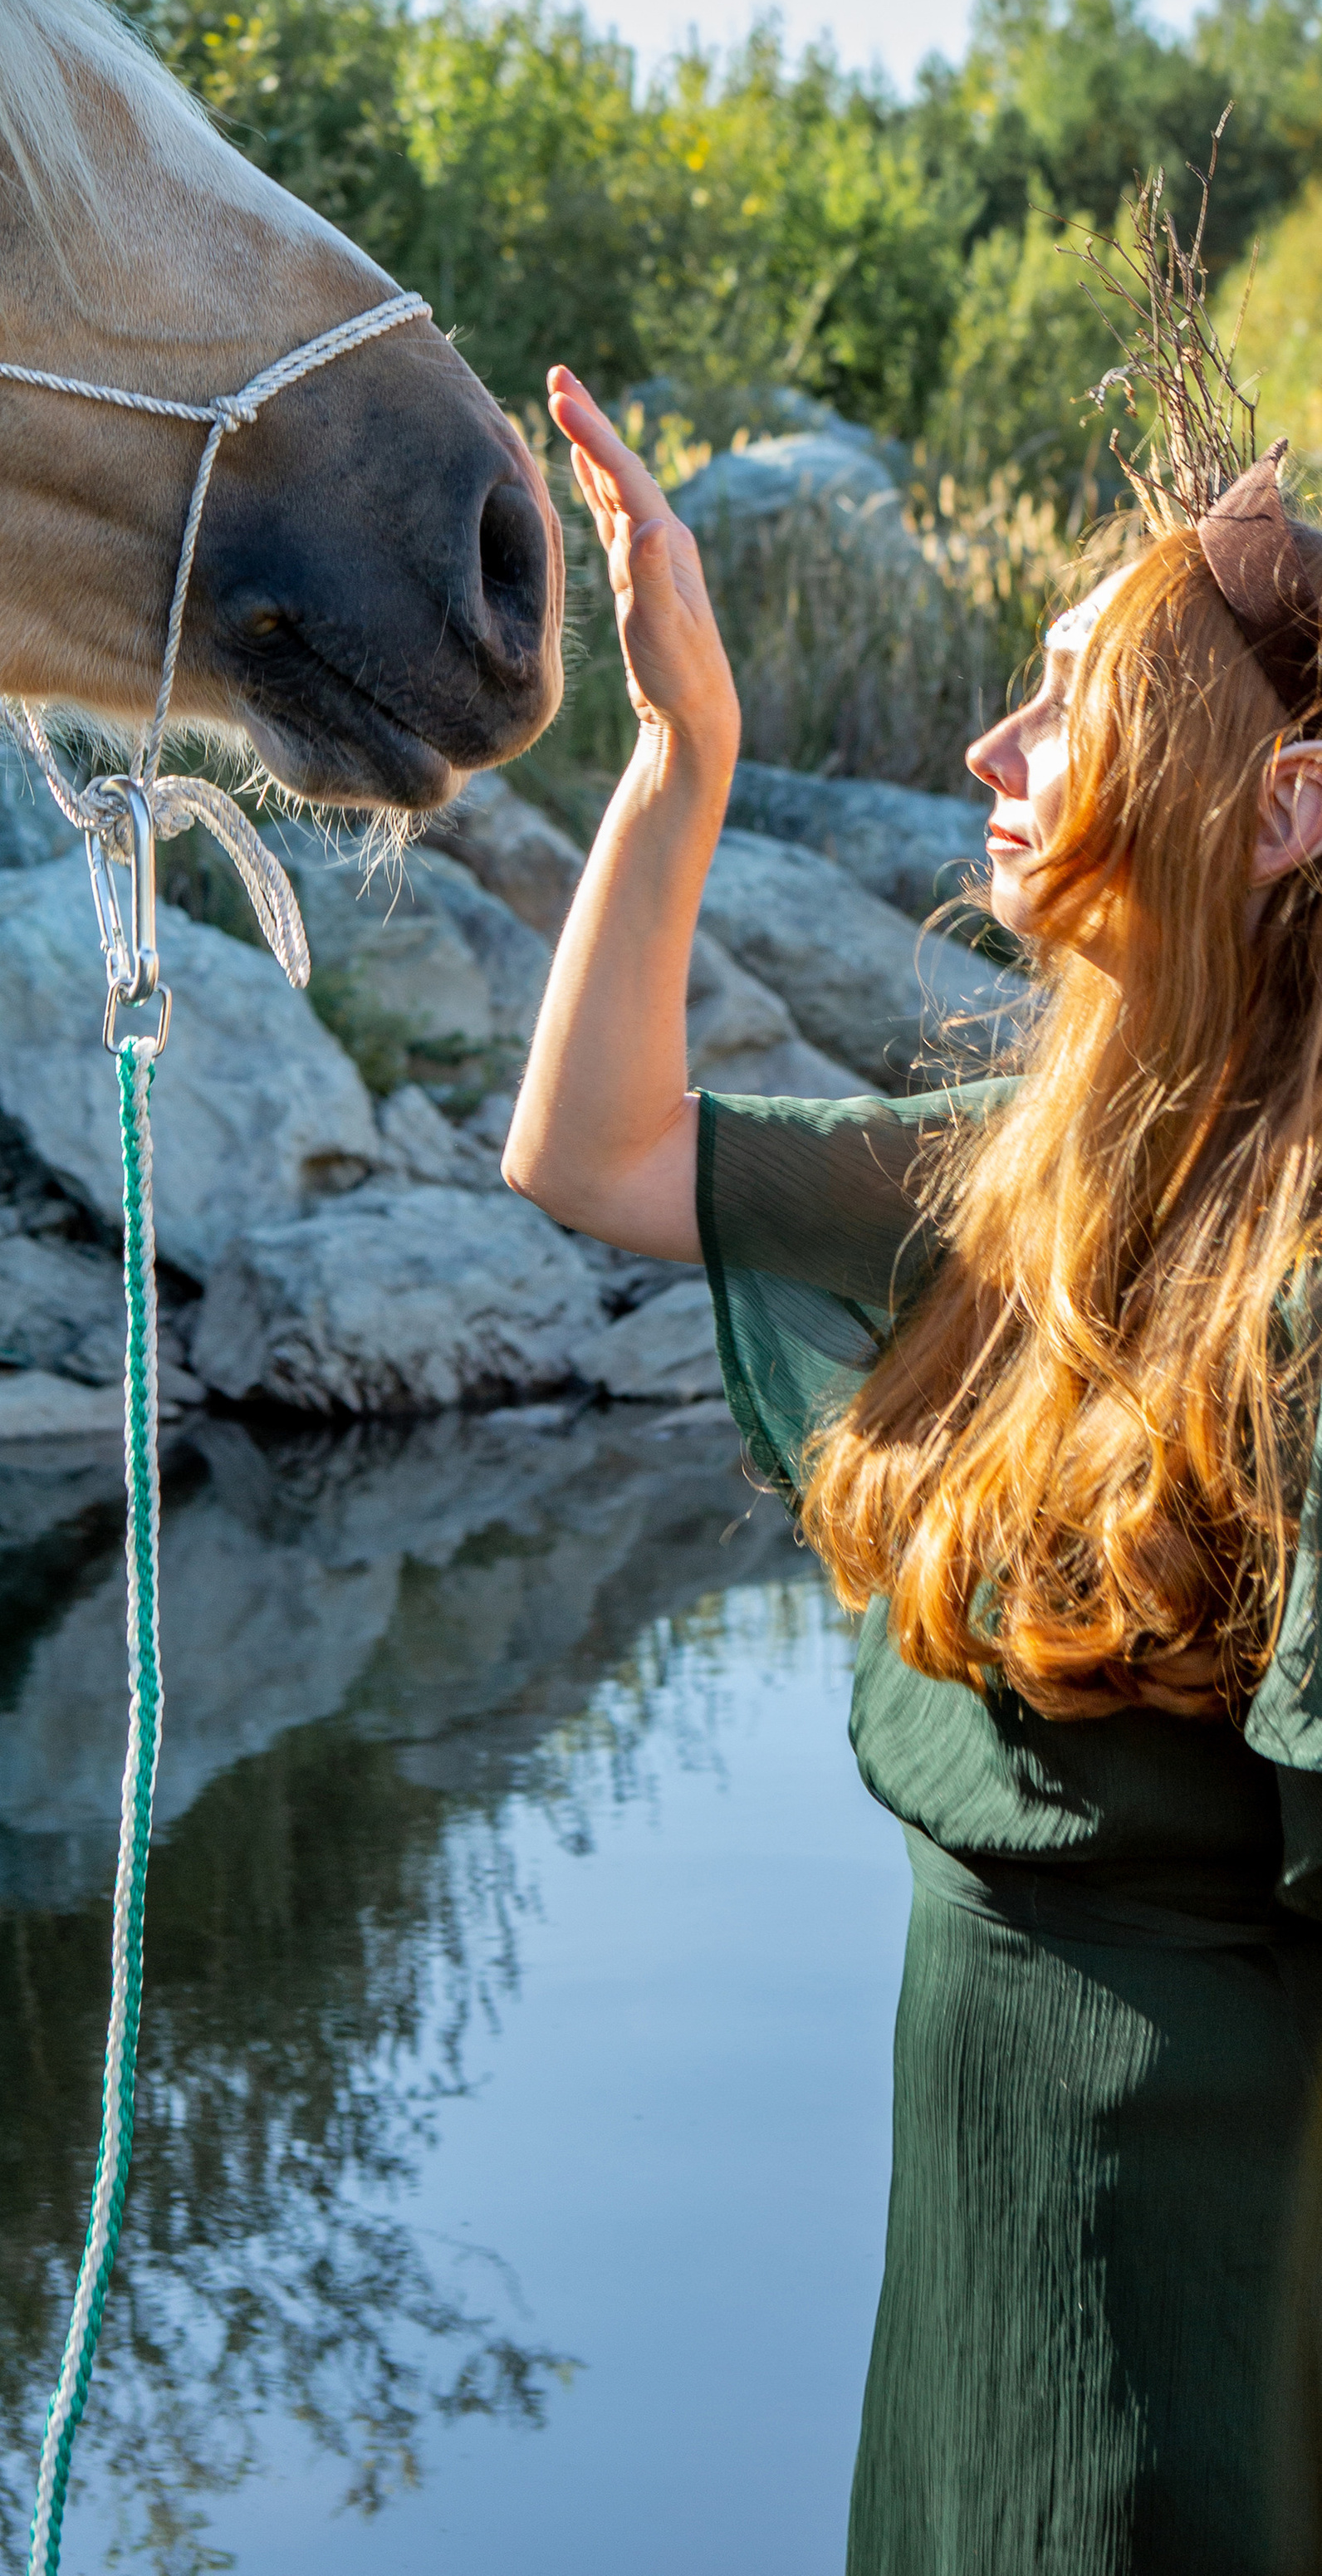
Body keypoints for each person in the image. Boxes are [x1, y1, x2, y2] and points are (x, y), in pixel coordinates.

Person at [505, 362, 1322, 2576]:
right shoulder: (1018, 1201)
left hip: (1205, 2311)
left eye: (1069, 700)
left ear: (1281, 811)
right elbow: (592, 1152)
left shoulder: (1310, 1283)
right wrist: (683, 759)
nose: (994, 750)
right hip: (984, 2268)